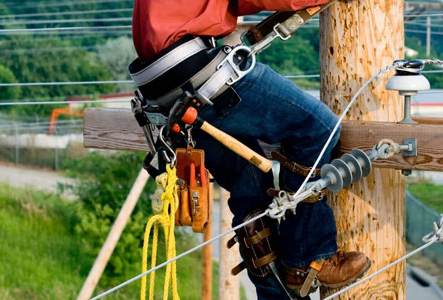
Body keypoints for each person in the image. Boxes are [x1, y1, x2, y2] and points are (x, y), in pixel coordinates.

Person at [130, 0, 370, 298]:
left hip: (162, 89)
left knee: (249, 189)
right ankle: (308, 258)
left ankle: (276, 293)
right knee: (318, 128)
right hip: (198, 73)